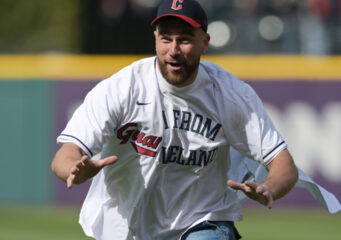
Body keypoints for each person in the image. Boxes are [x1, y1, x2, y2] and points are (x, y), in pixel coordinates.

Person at [51, 0, 299, 239]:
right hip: (128, 225)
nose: (173, 50)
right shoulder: (122, 88)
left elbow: (284, 165)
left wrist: (269, 187)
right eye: (166, 38)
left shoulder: (230, 94)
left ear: (205, 42)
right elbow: (66, 154)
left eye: (184, 39)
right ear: (155, 39)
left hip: (204, 218)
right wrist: (74, 170)